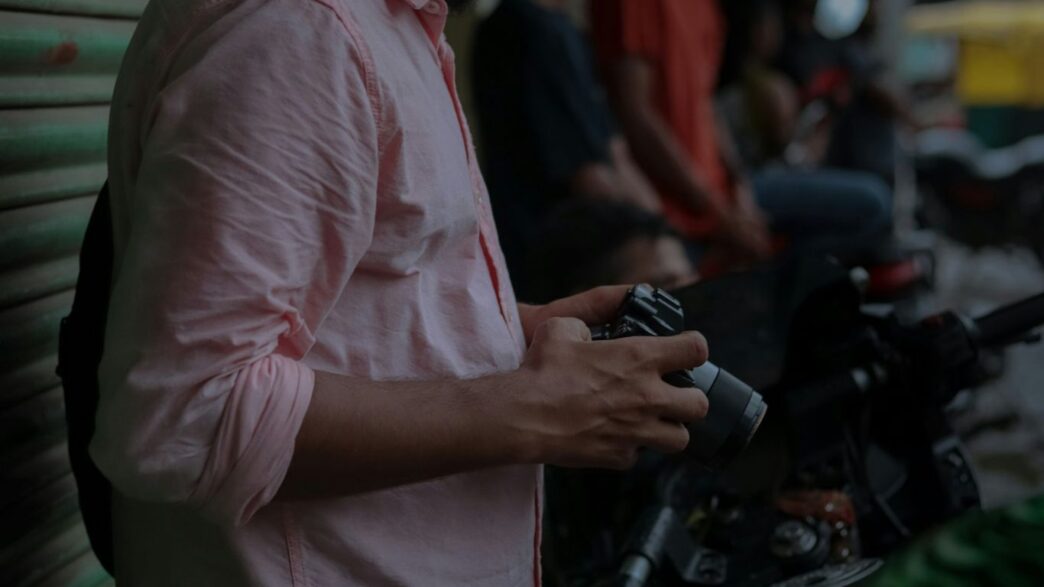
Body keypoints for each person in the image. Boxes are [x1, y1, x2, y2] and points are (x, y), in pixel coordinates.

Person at [94, 0, 711, 584]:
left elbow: (340, 314)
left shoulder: (389, 27)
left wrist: (507, 335)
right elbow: (189, 409)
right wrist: (532, 409)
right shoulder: (307, 31)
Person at [589, 0, 894, 273]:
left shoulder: (705, 7)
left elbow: (704, 102)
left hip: (722, 194)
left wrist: (739, 186)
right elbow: (634, 112)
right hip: (673, 212)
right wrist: (720, 215)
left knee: (873, 204)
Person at [472, 0, 660, 286]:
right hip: (558, 268)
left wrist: (664, 229)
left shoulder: (560, 29)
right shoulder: (530, 29)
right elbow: (591, 180)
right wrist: (661, 236)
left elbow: (615, 152)